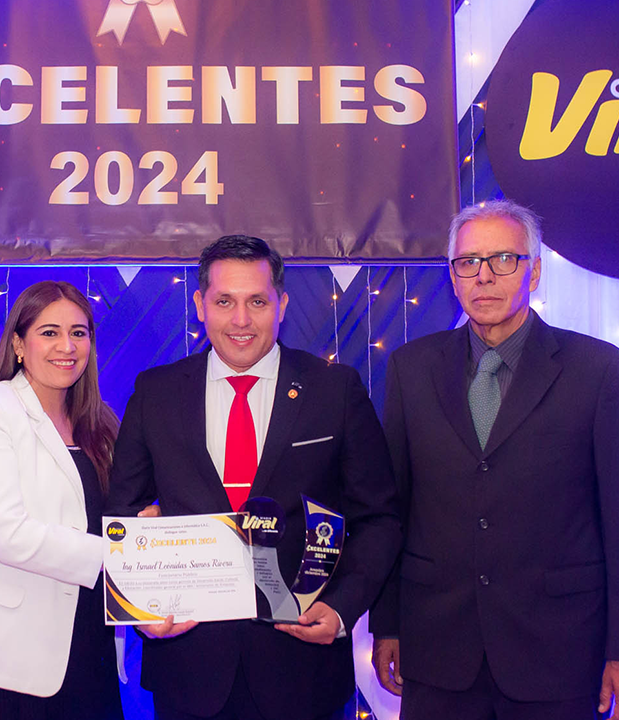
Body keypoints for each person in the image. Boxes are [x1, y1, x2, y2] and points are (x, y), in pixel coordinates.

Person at [369, 200, 619, 720]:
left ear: (535, 271)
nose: (484, 276)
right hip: (437, 651)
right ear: (453, 275)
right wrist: (386, 623)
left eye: (504, 259)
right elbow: (393, 509)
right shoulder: (411, 369)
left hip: (559, 653)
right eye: (468, 262)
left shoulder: (597, 369)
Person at [106, 235, 402, 720]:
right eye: (224, 301)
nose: (241, 320)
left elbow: (378, 518)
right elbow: (123, 513)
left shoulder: (335, 389)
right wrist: (141, 608)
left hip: (303, 669)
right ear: (200, 305)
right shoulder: (155, 393)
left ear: (281, 305)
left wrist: (342, 608)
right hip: (188, 670)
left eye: (257, 302)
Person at [0, 281, 124, 720]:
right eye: (49, 332)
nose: (67, 346)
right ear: (18, 343)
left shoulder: (102, 425)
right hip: (0, 658)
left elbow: (118, 517)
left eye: (78, 333)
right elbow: (8, 534)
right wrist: (122, 555)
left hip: (89, 646)